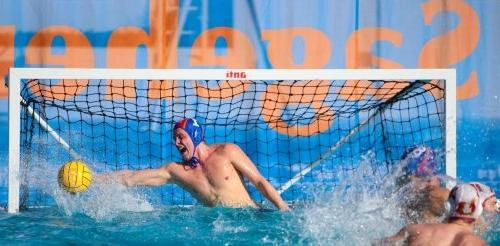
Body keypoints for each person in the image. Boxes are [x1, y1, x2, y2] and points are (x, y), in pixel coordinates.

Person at [98, 118, 290, 211]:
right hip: (221, 228)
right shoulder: (177, 171)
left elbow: (259, 181)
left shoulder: (227, 151)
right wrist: (94, 179)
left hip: (252, 218)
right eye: (174, 139)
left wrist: (283, 208)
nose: (176, 143)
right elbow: (131, 178)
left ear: (195, 136)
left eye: (181, 137)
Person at [379, 183, 488, 246]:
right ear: (478, 210)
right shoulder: (474, 242)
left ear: (448, 205)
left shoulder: (414, 230)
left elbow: (379, 243)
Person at [396, 145, 450, 224]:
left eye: (432, 174)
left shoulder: (447, 197)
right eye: (421, 176)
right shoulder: (397, 206)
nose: (428, 181)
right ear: (407, 180)